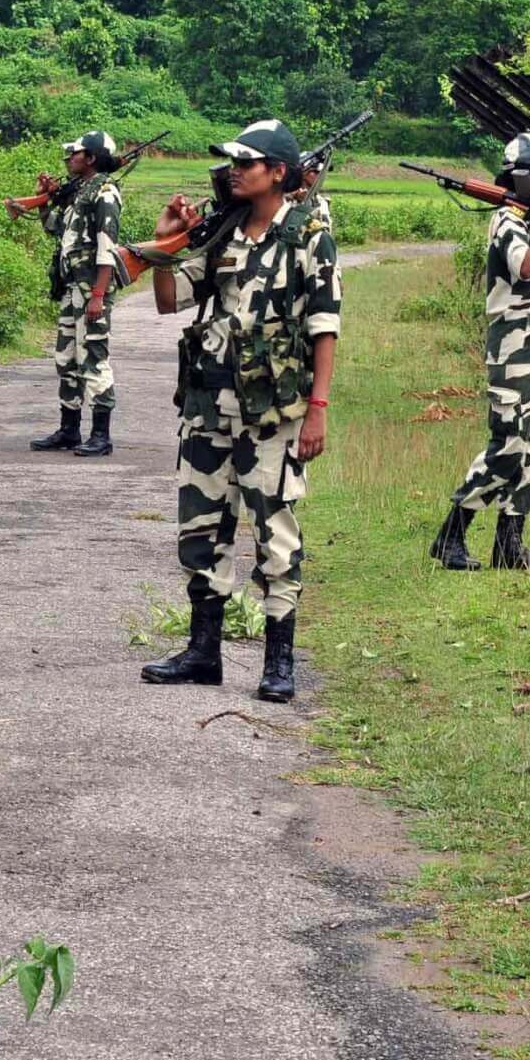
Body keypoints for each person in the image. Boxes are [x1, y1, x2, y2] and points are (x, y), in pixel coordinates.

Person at [139, 119, 341, 703]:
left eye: (247, 163)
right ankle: (204, 652)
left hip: (271, 415)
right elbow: (169, 299)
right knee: (200, 529)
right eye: (232, 162)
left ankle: (279, 661)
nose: (235, 170)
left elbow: (324, 326)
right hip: (207, 408)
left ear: (278, 173)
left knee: (275, 532)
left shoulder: (307, 237)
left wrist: (318, 409)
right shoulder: (224, 234)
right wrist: (163, 242)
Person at [430, 132, 530, 572]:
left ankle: (510, 543)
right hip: (517, 355)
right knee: (507, 447)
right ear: (527, 178)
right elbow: (525, 266)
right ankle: (451, 534)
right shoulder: (507, 220)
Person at [23, 131, 123, 456]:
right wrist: (41, 203)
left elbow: (107, 246)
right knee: (67, 359)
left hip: (90, 288)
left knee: (93, 356)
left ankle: (101, 435)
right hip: (71, 289)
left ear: (91, 158)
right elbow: (56, 228)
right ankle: (69, 430)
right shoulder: (79, 193)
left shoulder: (105, 192)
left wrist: (97, 294)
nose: (70, 158)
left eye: (76, 153)